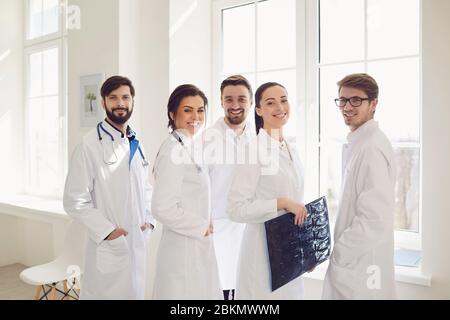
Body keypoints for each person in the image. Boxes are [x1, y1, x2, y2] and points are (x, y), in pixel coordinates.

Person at [63, 75, 155, 300]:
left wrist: (149, 221)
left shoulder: (136, 142)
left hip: (137, 241)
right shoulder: (89, 145)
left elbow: (146, 188)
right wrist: (108, 232)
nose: (120, 103)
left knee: (135, 292)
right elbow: (74, 201)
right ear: (103, 103)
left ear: (133, 101)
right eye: (113, 98)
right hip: (109, 245)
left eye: (125, 97)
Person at [227, 82, 307, 299]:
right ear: (259, 110)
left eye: (284, 100)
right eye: (271, 103)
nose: (280, 107)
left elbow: (298, 206)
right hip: (261, 253)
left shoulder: (293, 149)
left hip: (289, 251)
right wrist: (280, 202)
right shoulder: (253, 151)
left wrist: (305, 251)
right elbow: (235, 209)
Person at [322, 73, 396, 299]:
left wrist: (340, 254)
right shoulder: (360, 141)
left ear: (373, 104)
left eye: (356, 100)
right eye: (342, 100)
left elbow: (374, 219)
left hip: (361, 267)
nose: (347, 106)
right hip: (357, 265)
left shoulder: (371, 148)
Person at [151, 84, 222, 300]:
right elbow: (161, 207)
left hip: (196, 246)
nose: (196, 116)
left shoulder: (190, 145)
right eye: (188, 110)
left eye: (200, 110)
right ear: (173, 114)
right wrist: (201, 226)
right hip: (182, 251)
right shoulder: (173, 149)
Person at [202, 75, 255, 300]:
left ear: (251, 102)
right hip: (218, 229)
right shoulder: (206, 139)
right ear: (221, 102)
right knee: (219, 291)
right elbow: (198, 188)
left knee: (247, 290)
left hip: (250, 227)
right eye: (229, 99)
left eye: (241, 99)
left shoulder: (259, 137)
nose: (235, 105)